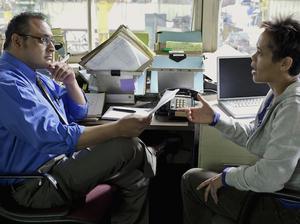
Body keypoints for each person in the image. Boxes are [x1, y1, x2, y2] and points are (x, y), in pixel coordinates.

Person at [0, 12, 156, 224]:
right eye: (43, 40)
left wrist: (71, 81)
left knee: (135, 179)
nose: (52, 48)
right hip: (36, 185)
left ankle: (148, 159)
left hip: (57, 165)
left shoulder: (36, 76)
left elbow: (78, 112)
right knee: (128, 146)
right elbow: (53, 137)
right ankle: (153, 156)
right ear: (18, 40)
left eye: (52, 41)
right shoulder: (8, 84)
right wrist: (116, 129)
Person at [181, 16, 300, 224]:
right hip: (277, 191)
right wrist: (215, 119)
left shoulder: (293, 107)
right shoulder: (278, 92)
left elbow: (270, 178)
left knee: (191, 180)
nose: (252, 58)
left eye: (261, 53)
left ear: (285, 63)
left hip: (286, 206)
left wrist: (227, 177)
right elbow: (255, 137)